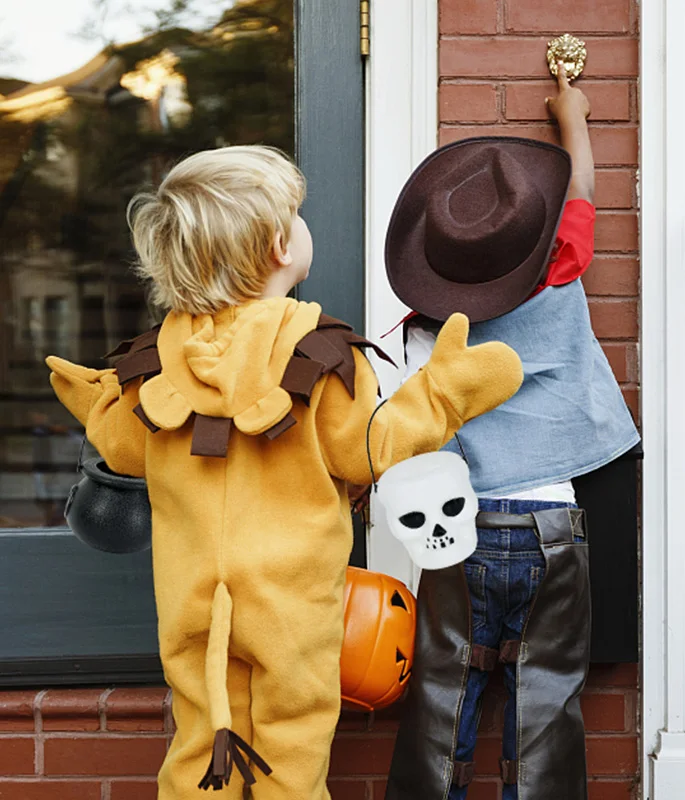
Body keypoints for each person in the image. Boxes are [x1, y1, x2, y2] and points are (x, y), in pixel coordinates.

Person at [45, 145, 524, 800]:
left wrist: (95, 401)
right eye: (297, 215)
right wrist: (444, 391)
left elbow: (126, 449)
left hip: (192, 603)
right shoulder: (318, 353)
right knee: (291, 747)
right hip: (291, 607)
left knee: (202, 743)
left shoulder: (154, 361)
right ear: (279, 245)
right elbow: (369, 449)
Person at [384, 64, 640, 800]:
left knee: (443, 689)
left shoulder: (425, 328)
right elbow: (581, 190)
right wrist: (573, 115)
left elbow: (407, 426)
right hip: (552, 526)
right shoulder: (562, 269)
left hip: (456, 530)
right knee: (547, 694)